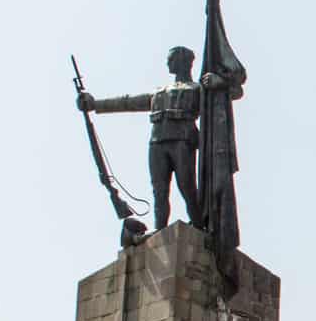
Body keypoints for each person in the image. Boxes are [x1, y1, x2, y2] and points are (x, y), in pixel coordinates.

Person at [76, 46, 245, 232]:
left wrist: (219, 81)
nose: (167, 63)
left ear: (182, 61)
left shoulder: (198, 88)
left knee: (187, 188)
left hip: (183, 140)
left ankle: (198, 227)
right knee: (160, 192)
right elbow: (129, 102)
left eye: (171, 59)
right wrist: (94, 104)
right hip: (157, 142)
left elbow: (234, 93)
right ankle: (160, 230)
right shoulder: (160, 91)